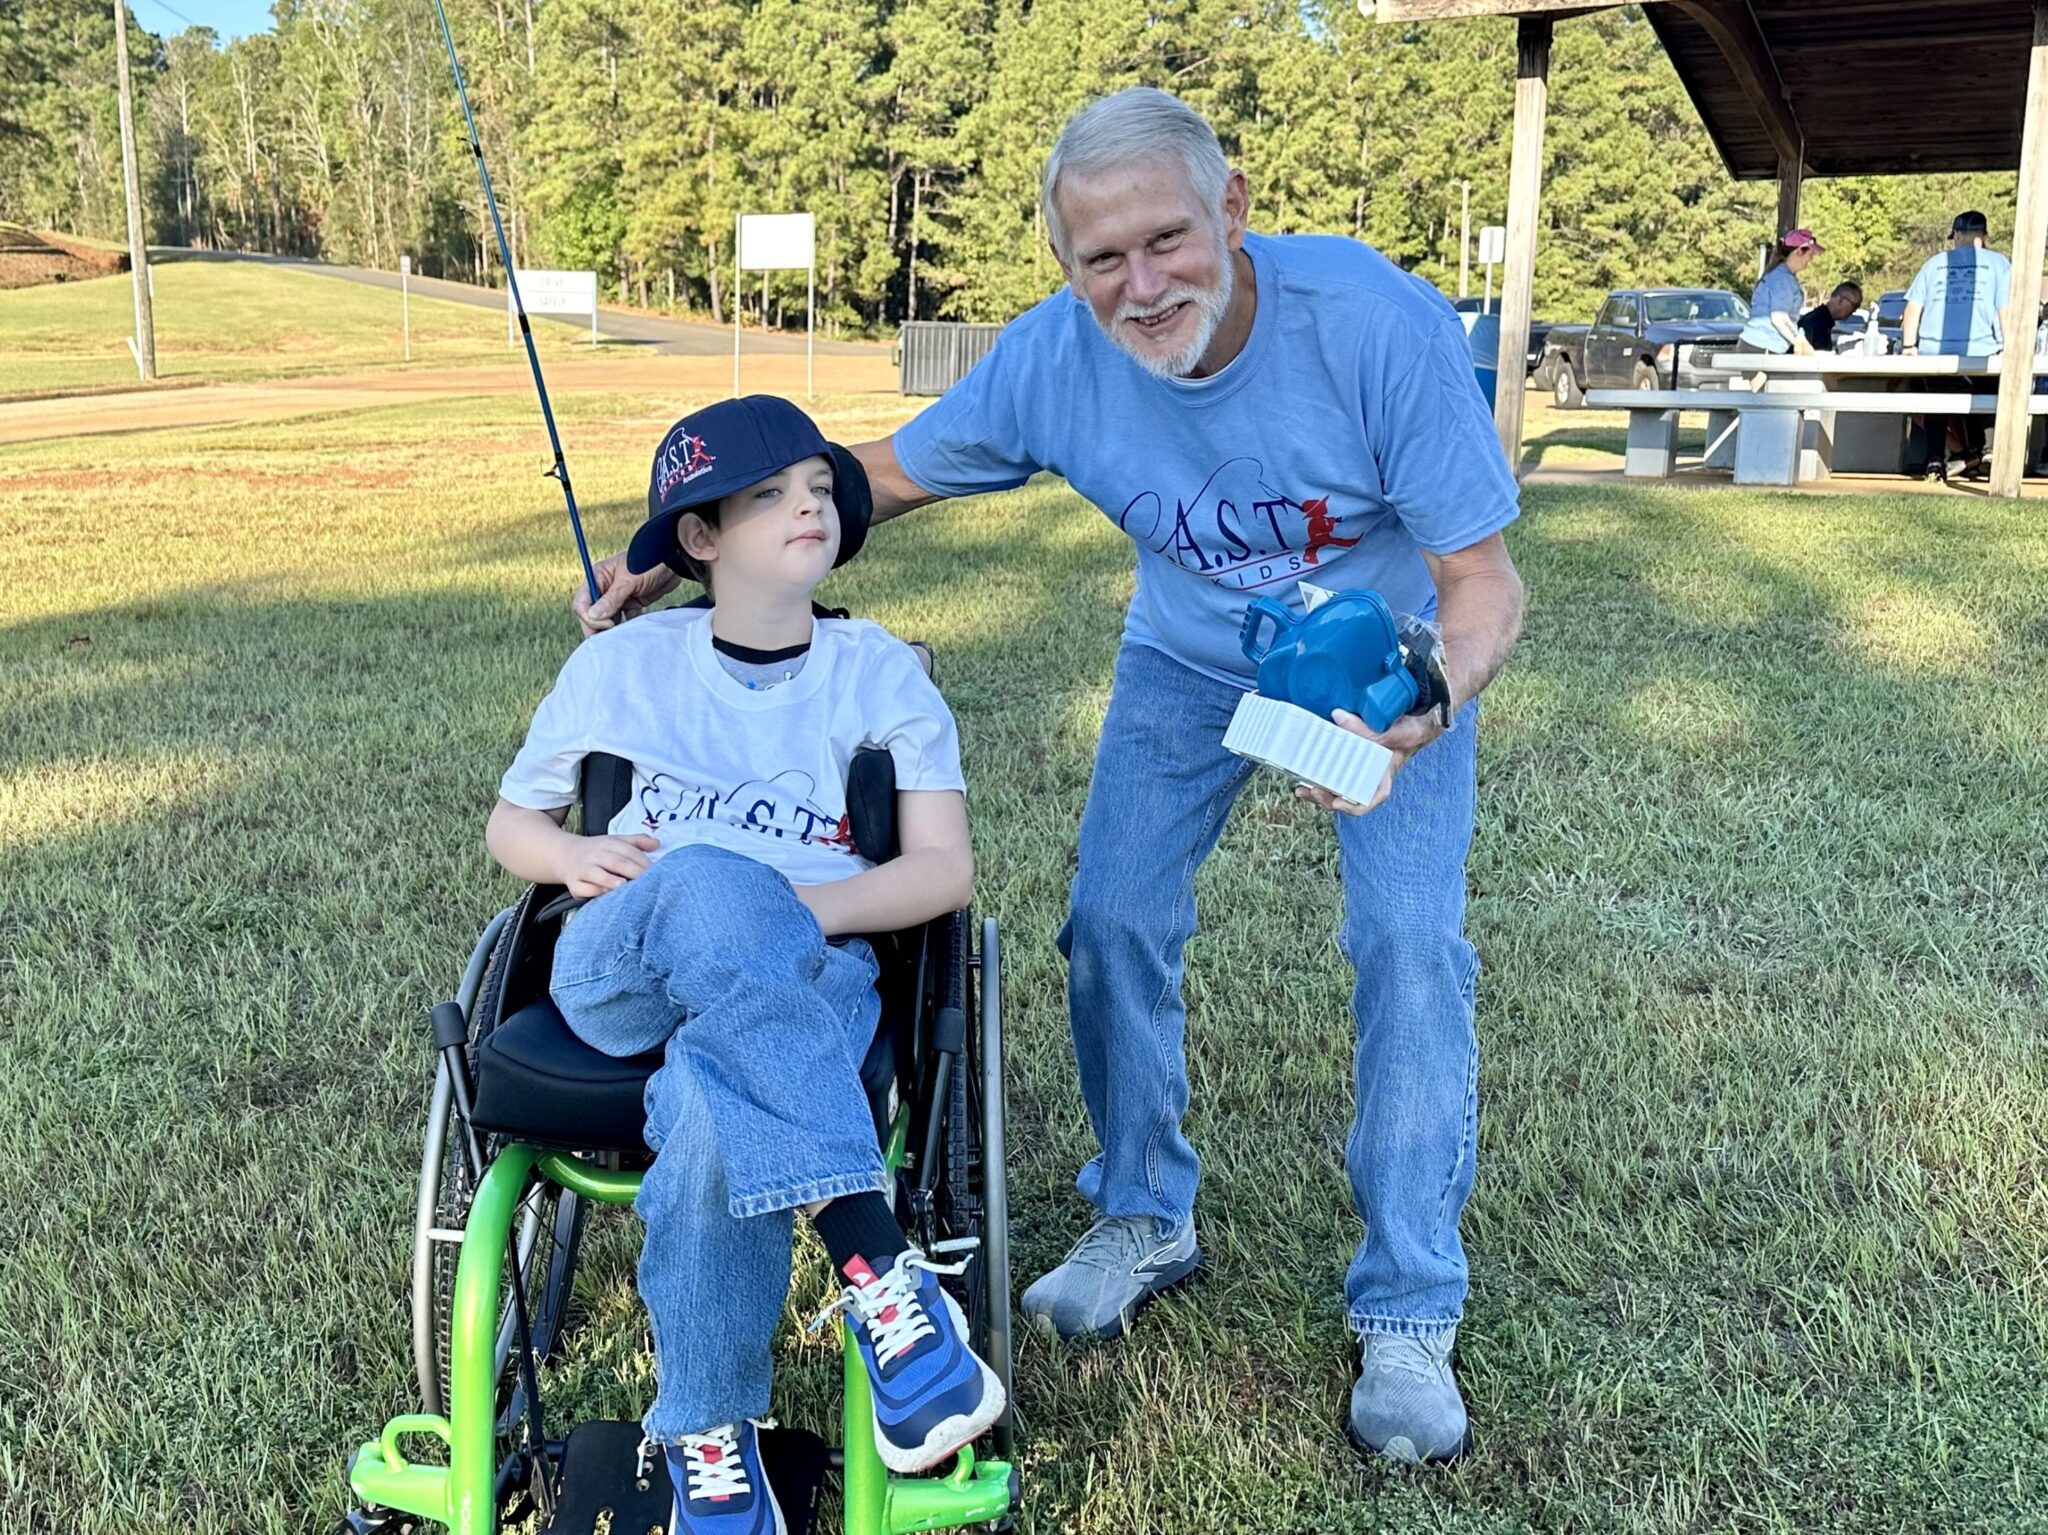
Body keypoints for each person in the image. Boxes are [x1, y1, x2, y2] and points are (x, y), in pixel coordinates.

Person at [575, 88, 1526, 1467]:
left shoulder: (1374, 326)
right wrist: (667, 550)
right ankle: (1144, 1208)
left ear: (1233, 211)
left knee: (1408, 944)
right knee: (1113, 921)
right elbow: (875, 476)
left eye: (1167, 241)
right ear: (1067, 265)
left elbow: (1484, 582)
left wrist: (1429, 697)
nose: (1140, 287)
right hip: (1186, 662)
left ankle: (1408, 1306)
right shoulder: (1052, 363)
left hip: (1385, 659)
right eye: (1102, 260)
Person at [494, 395, 1006, 1532]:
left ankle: (709, 1448)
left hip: (805, 964)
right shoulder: (627, 664)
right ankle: (877, 1270)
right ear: (701, 539)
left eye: (819, 487)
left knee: (715, 1111)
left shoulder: (881, 672)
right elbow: (509, 827)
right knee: (712, 877)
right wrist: (574, 851)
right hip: (620, 962)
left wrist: (786, 912)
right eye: (768, 494)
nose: (807, 506)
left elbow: (940, 871)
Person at [1902, 210, 2013, 480]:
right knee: (1986, 399)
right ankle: (1986, 450)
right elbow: (2004, 309)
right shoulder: (1999, 264)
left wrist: (1909, 346)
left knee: (1937, 408)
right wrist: (2009, 344)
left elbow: (1913, 307)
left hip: (1934, 349)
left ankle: (1935, 462)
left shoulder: (1934, 264)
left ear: (1958, 236)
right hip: (1981, 349)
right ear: (1984, 237)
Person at [1737, 229, 1824, 355]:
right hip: (1762, 347)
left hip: (1758, 346)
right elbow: (1779, 317)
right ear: (1799, 251)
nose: (1811, 259)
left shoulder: (1780, 275)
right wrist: (1799, 341)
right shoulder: (1783, 279)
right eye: (1810, 254)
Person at [1799, 281, 1864, 352]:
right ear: (1840, 300)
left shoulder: (1822, 321)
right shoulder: (1815, 322)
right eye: (1854, 306)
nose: (1854, 311)